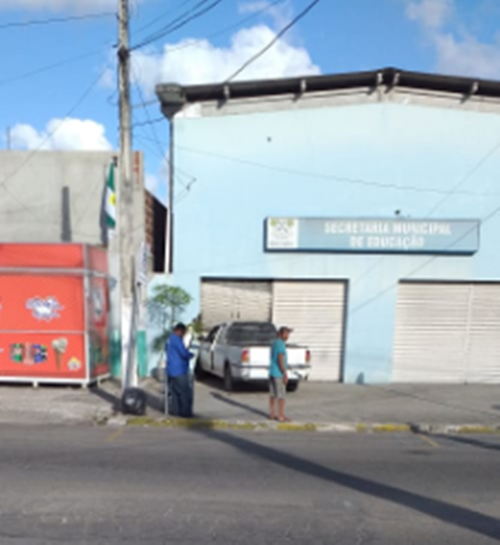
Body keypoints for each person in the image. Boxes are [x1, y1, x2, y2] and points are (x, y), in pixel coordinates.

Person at [166, 323, 195, 418]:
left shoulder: (169, 339)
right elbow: (183, 353)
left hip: (171, 370)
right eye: (183, 333)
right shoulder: (177, 339)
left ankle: (176, 411)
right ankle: (185, 413)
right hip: (179, 370)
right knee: (185, 392)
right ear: (179, 331)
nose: (183, 335)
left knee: (174, 392)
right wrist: (191, 355)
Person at [269, 326, 292, 422]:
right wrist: (284, 373)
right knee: (281, 395)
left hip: (272, 371)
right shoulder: (281, 344)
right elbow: (280, 359)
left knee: (273, 394)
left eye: (288, 334)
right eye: (286, 334)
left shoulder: (274, 343)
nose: (287, 336)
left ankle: (272, 414)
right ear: (280, 334)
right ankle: (281, 415)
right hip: (278, 373)